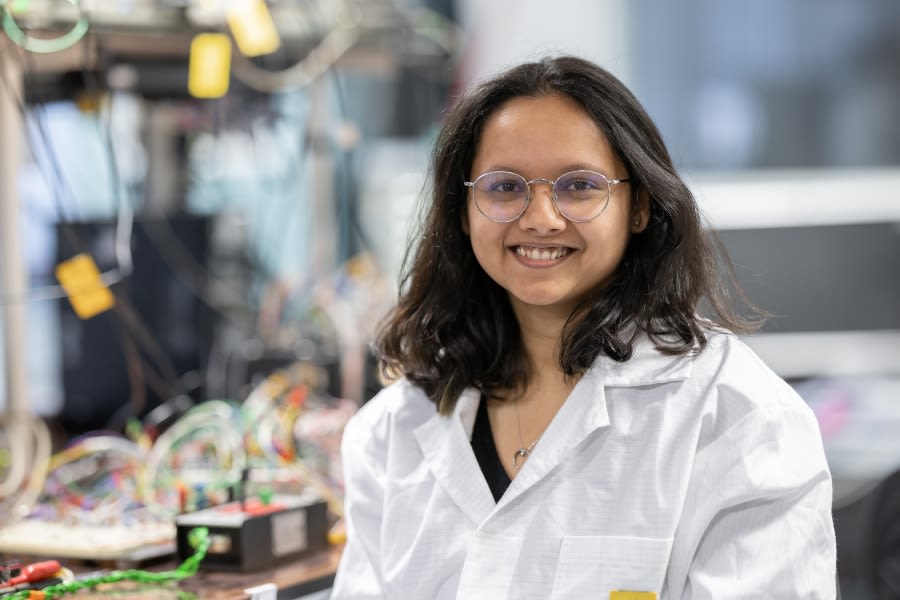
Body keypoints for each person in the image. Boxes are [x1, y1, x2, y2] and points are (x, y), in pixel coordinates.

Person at [331, 55, 836, 599]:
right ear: (463, 210)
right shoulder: (393, 431)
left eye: (579, 186)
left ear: (638, 205)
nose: (541, 217)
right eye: (504, 187)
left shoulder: (736, 416)